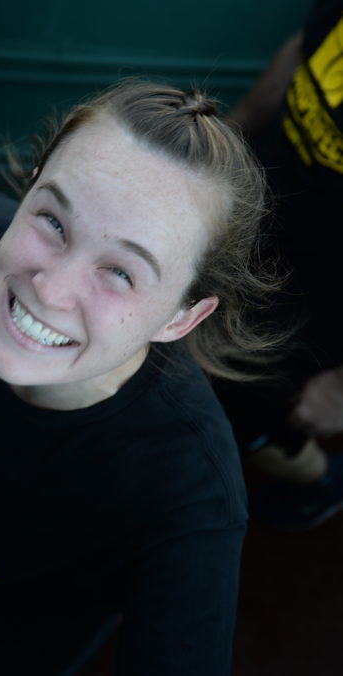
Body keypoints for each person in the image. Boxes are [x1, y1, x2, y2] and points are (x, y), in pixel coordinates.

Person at [0, 79, 275, 676]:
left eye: (120, 273)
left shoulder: (190, 492)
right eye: (53, 221)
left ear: (181, 318)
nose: (50, 289)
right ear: (31, 186)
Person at [214, 0, 343, 530]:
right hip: (274, 196)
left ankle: (321, 481)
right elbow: (308, 44)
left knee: (244, 411)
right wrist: (232, 133)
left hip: (328, 282)